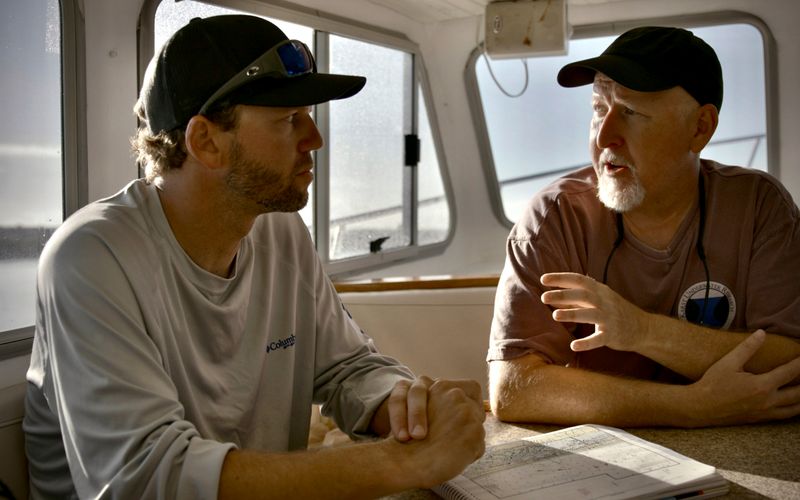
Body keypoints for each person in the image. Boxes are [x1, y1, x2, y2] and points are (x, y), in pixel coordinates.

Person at [23, 15, 485, 499]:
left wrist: (407, 407)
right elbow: (146, 479)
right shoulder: (91, 258)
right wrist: (396, 464)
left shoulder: (279, 231)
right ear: (206, 141)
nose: (315, 140)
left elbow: (346, 369)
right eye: (289, 120)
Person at [488, 26, 800, 428]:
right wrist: (690, 407)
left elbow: (792, 357)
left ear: (700, 128)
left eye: (631, 112)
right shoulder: (554, 217)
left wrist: (640, 330)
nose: (605, 136)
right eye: (599, 108)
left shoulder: (758, 205)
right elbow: (513, 388)